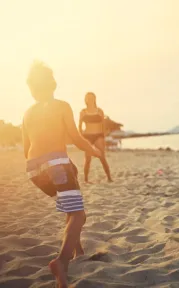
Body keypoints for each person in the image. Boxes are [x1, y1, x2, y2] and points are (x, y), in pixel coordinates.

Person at [22, 61, 101, 287]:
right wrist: (93, 150)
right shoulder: (62, 106)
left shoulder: (27, 113)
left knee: (70, 202)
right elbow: (76, 138)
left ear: (32, 88)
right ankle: (62, 262)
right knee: (78, 215)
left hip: (34, 170)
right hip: (56, 164)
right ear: (53, 83)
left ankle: (78, 250)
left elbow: (26, 147)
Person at [78, 92, 113, 182]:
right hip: (87, 136)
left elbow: (103, 125)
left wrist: (104, 136)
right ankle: (86, 179)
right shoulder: (83, 112)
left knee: (102, 157)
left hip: (98, 136)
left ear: (94, 99)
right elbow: (80, 126)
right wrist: (81, 137)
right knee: (88, 158)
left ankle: (109, 177)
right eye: (88, 98)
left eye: (91, 98)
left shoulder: (99, 111)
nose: (90, 99)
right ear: (85, 100)